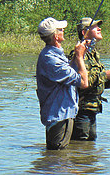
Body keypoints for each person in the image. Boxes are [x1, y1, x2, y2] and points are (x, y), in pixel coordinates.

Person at [36, 17, 89, 150]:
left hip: (64, 113)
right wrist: (79, 57)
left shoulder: (56, 55)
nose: (63, 30)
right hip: (58, 116)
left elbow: (69, 73)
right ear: (55, 36)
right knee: (57, 156)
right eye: (60, 29)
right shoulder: (50, 59)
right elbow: (83, 83)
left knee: (59, 159)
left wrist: (78, 55)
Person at [72, 17, 110, 141]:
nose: (99, 28)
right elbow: (82, 82)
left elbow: (97, 83)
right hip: (81, 111)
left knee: (89, 149)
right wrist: (104, 75)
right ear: (84, 32)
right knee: (80, 147)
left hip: (92, 109)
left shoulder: (93, 54)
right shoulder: (79, 55)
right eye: (95, 27)